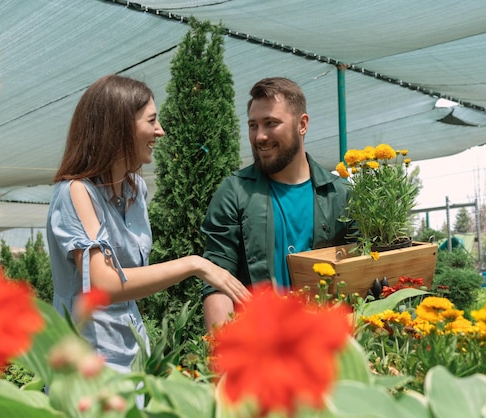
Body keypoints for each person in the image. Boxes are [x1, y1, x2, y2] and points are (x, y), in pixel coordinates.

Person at [46, 74, 250, 374]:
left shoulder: (135, 191)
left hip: (134, 354)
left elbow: (132, 280)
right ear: (119, 127)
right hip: (86, 365)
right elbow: (104, 284)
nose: (161, 131)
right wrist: (195, 264)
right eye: (151, 120)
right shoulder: (75, 192)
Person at [201, 77, 353, 331]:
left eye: (271, 123)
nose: (260, 136)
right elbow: (219, 280)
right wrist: (223, 352)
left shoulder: (339, 196)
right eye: (253, 125)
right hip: (260, 344)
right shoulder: (236, 192)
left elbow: (359, 275)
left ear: (302, 124)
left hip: (325, 343)